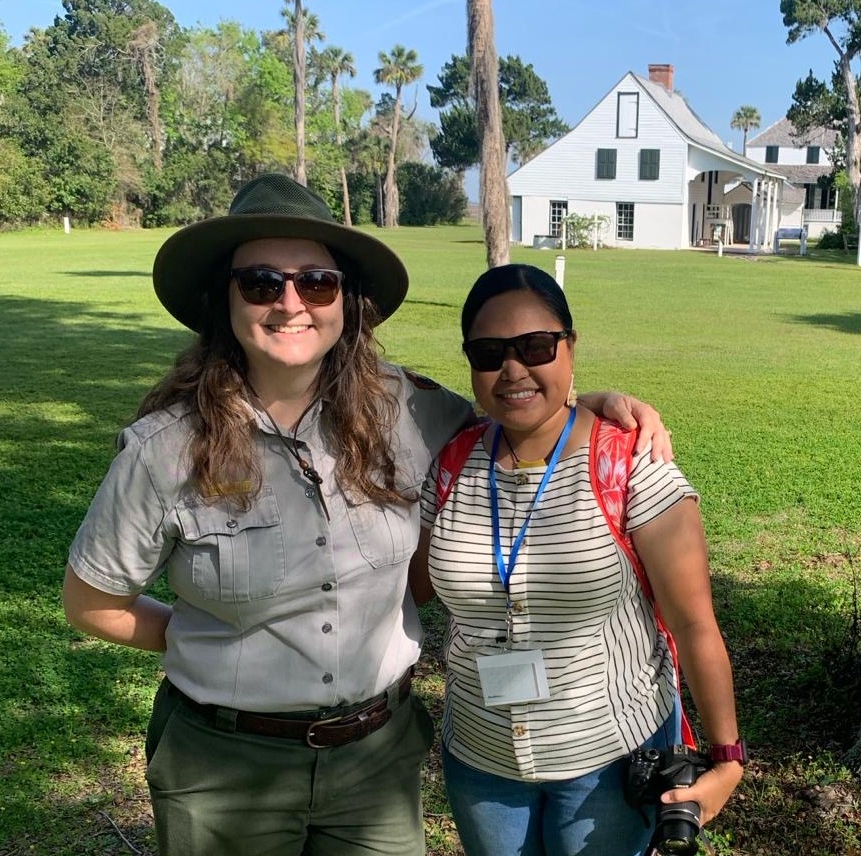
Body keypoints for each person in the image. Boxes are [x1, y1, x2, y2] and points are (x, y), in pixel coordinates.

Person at [63, 174, 672, 856]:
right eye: (261, 282)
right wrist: (213, 640)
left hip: (374, 761)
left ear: (346, 301)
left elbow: (516, 412)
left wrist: (591, 402)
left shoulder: (410, 411)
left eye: (316, 282)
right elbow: (93, 604)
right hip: (223, 767)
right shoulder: (165, 449)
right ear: (223, 299)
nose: (290, 303)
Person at [411, 263, 744, 856]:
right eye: (489, 353)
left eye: (536, 346)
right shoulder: (452, 461)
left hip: (607, 762)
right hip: (480, 757)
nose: (513, 368)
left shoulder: (632, 461)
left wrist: (726, 757)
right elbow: (410, 587)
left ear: (570, 346)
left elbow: (695, 623)